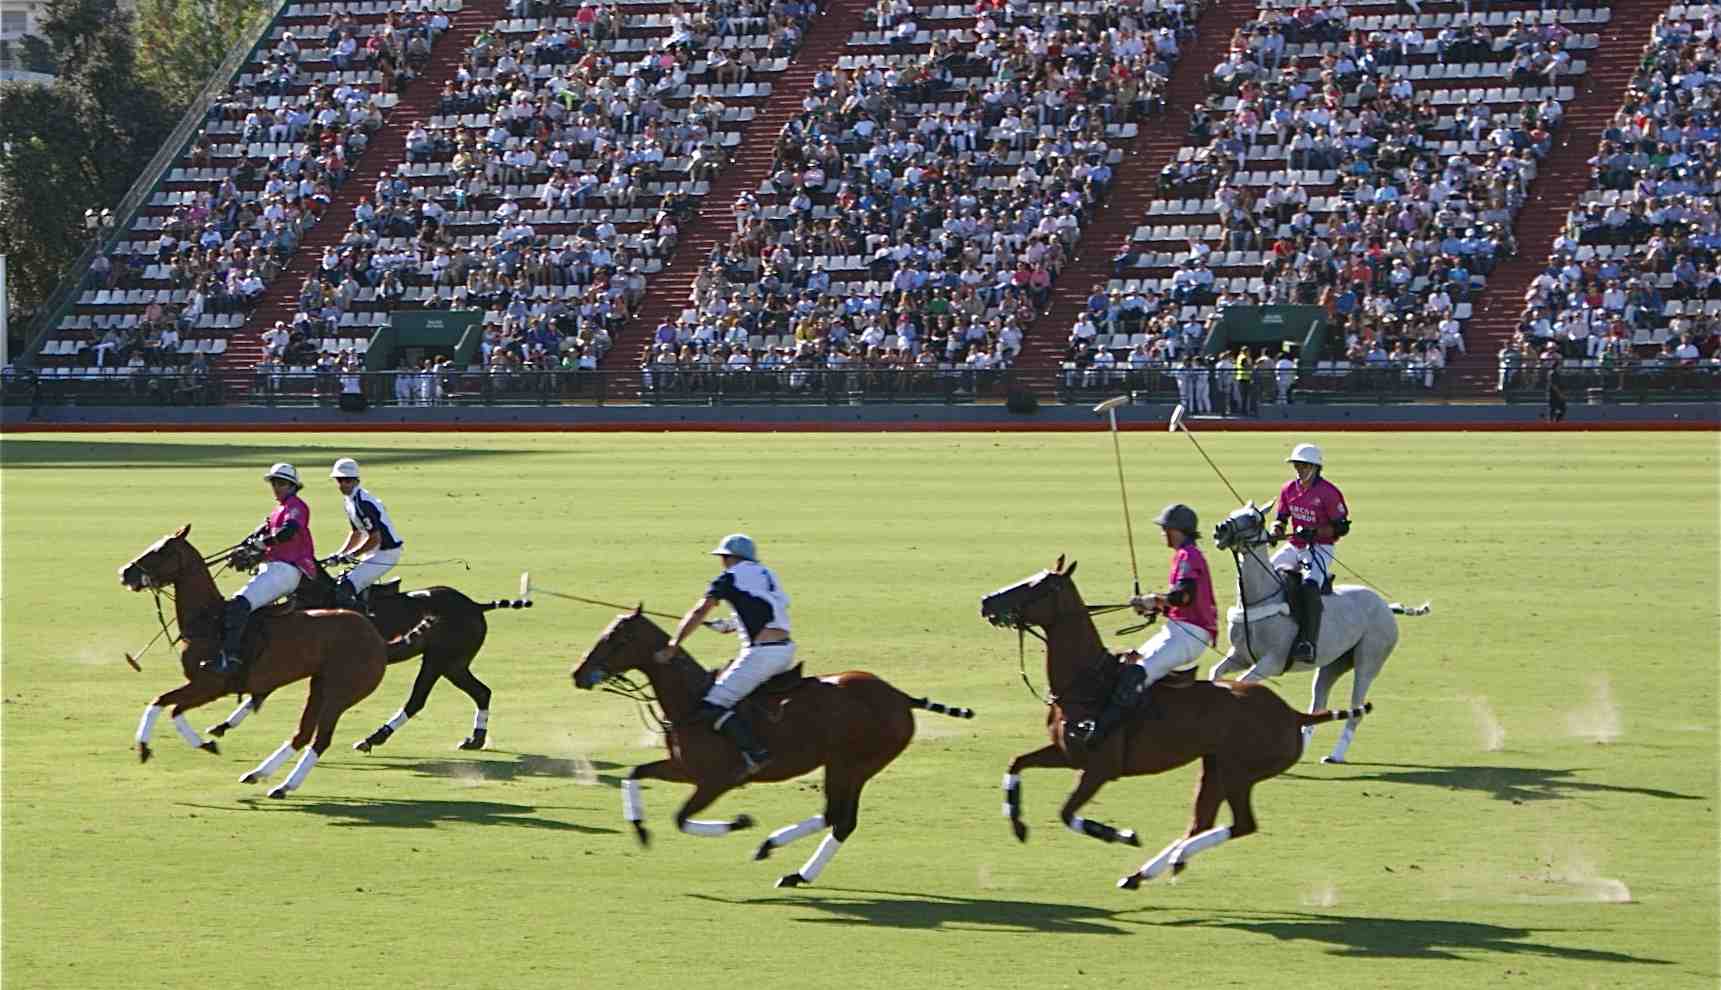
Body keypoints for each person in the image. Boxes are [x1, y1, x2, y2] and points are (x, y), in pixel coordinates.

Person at [1069, 504, 1217, 748]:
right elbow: (1179, 603)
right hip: (1179, 630)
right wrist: (1152, 606)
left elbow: (1184, 597)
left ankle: (1101, 732)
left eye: (1165, 529)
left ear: (1177, 530)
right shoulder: (1184, 554)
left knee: (1137, 674)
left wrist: (1153, 600)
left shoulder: (1189, 555)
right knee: (1130, 661)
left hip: (1191, 634)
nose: (1162, 533)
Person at [654, 534, 792, 778]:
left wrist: (674, 643)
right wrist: (730, 625)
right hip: (784, 649)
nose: (722, 563)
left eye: (723, 558)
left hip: (761, 656)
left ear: (729, 558)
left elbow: (699, 610)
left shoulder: (729, 578)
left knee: (713, 705)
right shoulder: (767, 573)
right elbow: (766, 608)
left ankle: (756, 755)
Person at [210, 464, 317, 673]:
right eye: (274, 483)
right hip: (272, 568)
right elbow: (258, 534)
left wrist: (260, 544)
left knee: (239, 605)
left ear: (293, 486)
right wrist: (242, 548)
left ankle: (230, 658)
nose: (277, 487)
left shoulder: (297, 506)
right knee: (239, 606)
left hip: (287, 569)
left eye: (282, 483)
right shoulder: (278, 509)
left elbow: (288, 531)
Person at [1270, 443, 1349, 663]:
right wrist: (1276, 530)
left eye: (1304, 466)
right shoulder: (1288, 489)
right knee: (1265, 573)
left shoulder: (1329, 493)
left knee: (1309, 585)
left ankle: (1308, 642)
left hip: (1320, 547)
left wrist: (1315, 531)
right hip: (1295, 545)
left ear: (1315, 467)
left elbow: (1342, 527)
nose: (1299, 470)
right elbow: (1282, 517)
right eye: (1297, 465)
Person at [325, 458, 404, 609]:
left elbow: (375, 538)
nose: (342, 484)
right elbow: (356, 533)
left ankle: (362, 624)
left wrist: (352, 555)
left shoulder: (363, 503)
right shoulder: (349, 501)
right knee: (339, 581)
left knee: (345, 588)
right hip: (374, 551)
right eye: (339, 480)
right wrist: (340, 553)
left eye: (347, 480)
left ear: (356, 481)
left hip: (386, 552)